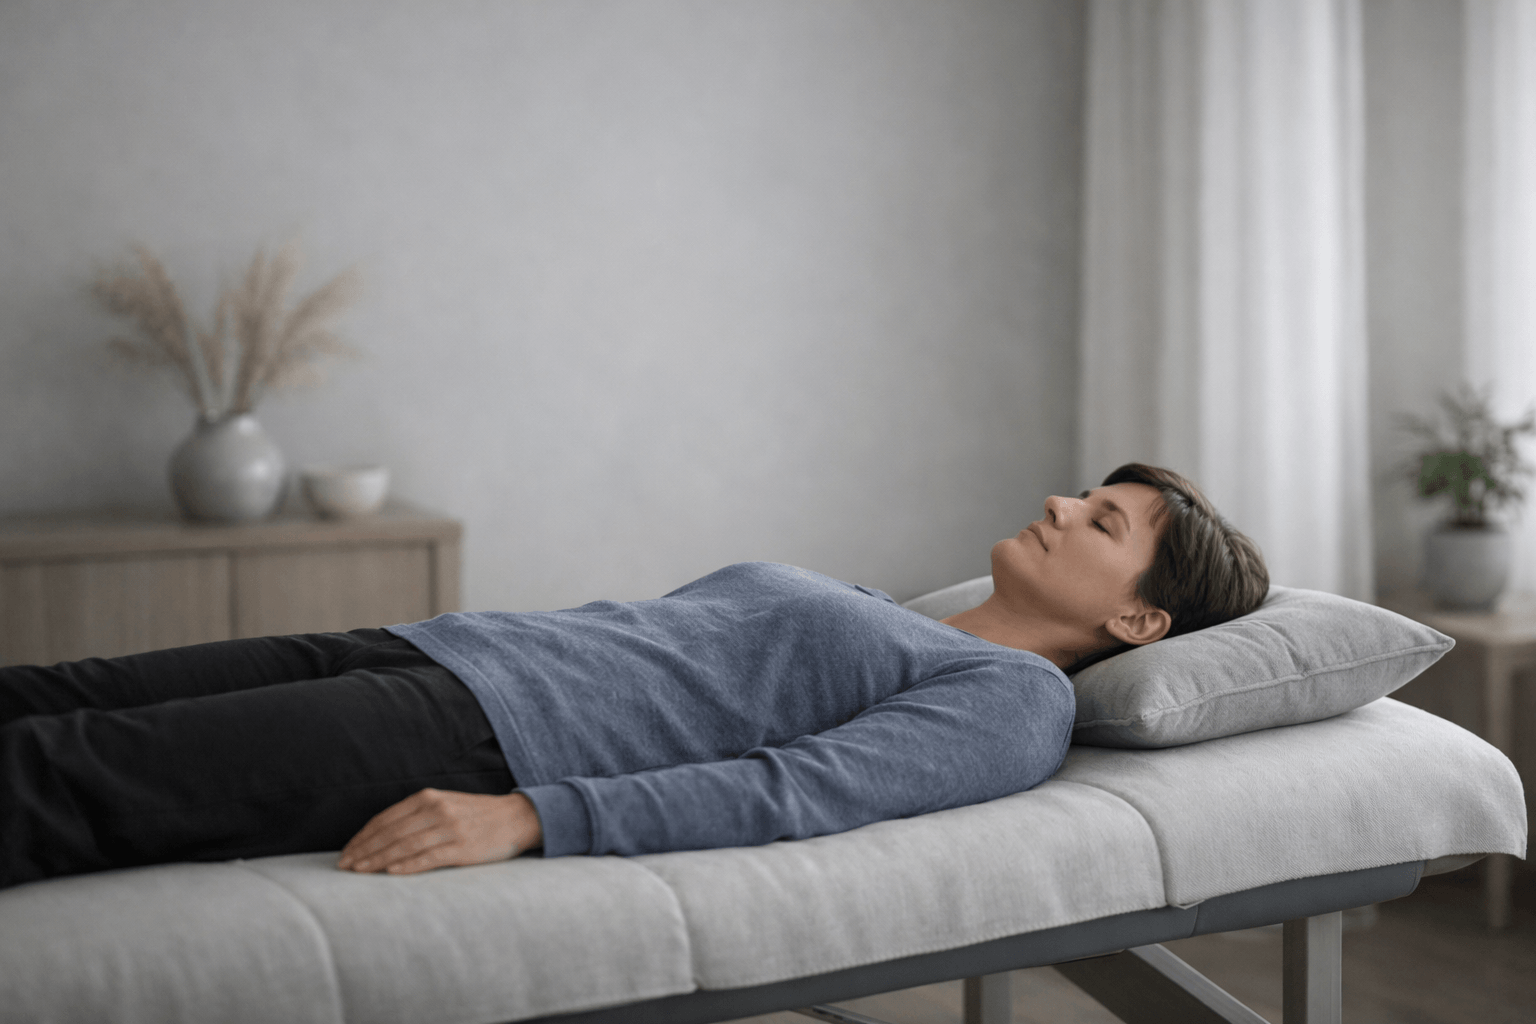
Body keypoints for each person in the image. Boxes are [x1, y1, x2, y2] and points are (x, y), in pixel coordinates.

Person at [0, 463, 1266, 889]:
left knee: (63, 776)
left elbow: (798, 790)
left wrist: (537, 815)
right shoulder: (898, 616)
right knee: (58, 690)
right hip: (433, 650)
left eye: (1101, 520)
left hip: (474, 735)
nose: (1059, 501)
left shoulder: (1017, 700)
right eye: (1084, 491)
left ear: (1144, 621)